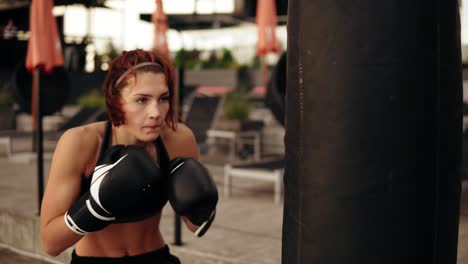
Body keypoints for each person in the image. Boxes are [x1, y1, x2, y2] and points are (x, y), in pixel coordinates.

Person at [40, 49, 218, 264]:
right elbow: (50, 243)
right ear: (117, 101)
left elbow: (195, 225)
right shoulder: (81, 143)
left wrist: (203, 204)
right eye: (142, 100)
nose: (156, 112)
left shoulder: (178, 139)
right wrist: (94, 208)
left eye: (163, 98)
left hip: (156, 259)